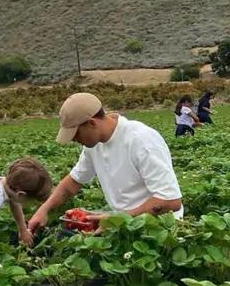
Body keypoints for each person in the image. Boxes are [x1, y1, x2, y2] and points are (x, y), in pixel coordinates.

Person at [27, 93, 183, 235]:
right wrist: (44, 209)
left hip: (159, 228)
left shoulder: (140, 140)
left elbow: (169, 201)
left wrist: (116, 220)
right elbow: (73, 182)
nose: (74, 140)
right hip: (123, 222)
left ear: (91, 123)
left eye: (76, 134)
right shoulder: (94, 144)